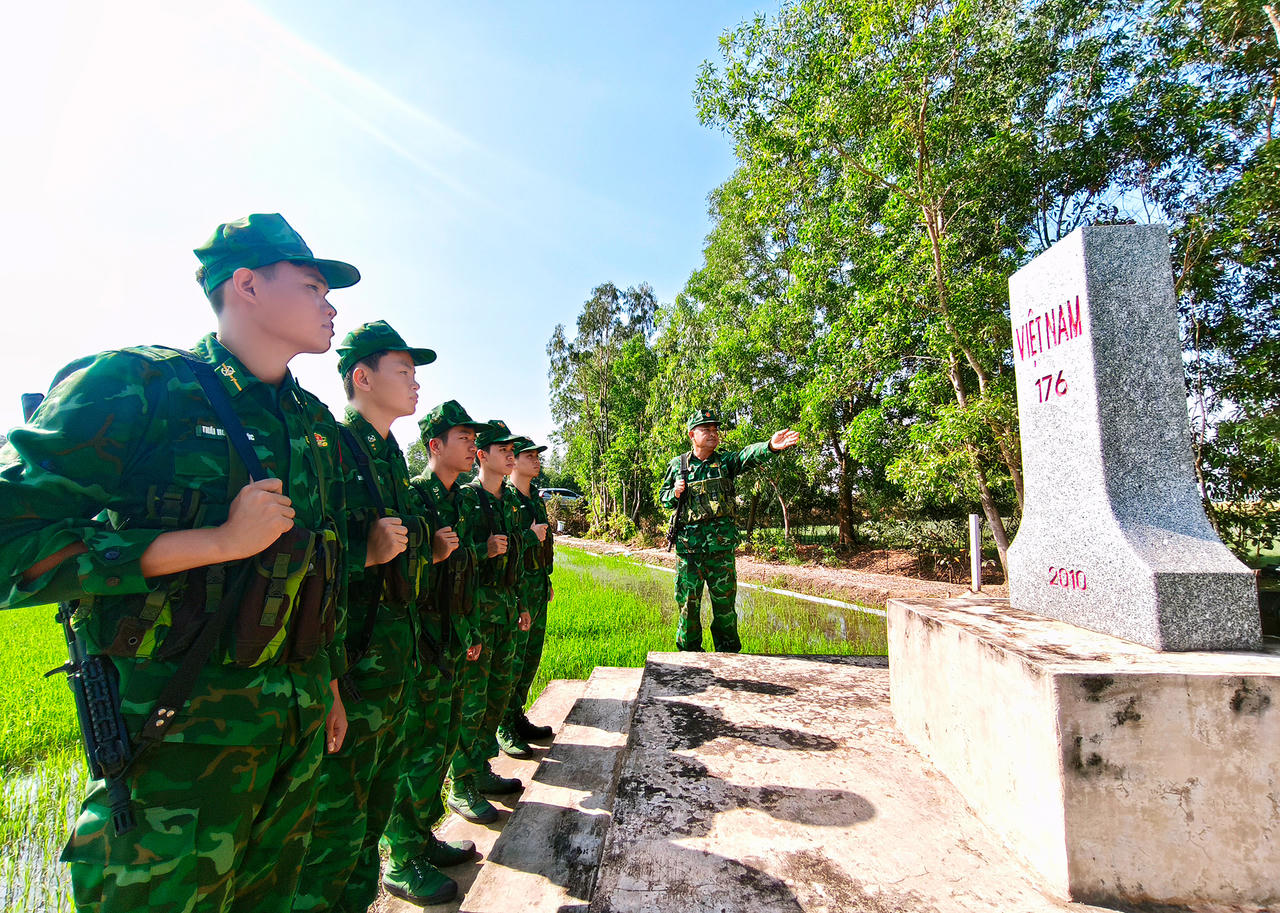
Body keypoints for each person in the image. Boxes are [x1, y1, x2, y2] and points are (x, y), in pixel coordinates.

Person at [0, 213, 356, 911]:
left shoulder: (313, 425)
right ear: (247, 284)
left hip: (292, 746)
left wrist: (330, 684)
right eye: (313, 285)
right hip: (172, 764)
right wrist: (215, 542)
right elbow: (13, 538)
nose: (330, 304)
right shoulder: (139, 387)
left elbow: (316, 571)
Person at [293, 320, 443, 912]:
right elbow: (304, 554)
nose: (414, 384)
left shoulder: (386, 456)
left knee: (372, 809)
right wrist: (364, 551)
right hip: (349, 671)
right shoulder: (330, 448)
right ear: (362, 376)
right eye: (403, 371)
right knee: (333, 825)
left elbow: (415, 540)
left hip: (392, 667)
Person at [381, 400, 489, 905]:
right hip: (421, 646)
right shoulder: (414, 497)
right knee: (417, 749)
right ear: (435, 446)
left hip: (452, 639)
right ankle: (401, 858)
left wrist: (468, 632)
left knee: (442, 742)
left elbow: (463, 575)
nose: (473, 447)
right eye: (464, 439)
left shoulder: (463, 502)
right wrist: (432, 550)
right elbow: (400, 578)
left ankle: (422, 837)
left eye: (474, 440)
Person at [447, 421, 543, 820]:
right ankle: (461, 783)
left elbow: (516, 563)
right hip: (477, 615)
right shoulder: (465, 500)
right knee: (471, 701)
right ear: (481, 456)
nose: (509, 454)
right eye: (500, 449)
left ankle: (481, 768)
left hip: (505, 610)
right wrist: (480, 550)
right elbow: (450, 559)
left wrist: (521, 603)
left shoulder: (508, 503)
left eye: (511, 450)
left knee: (496, 695)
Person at [658, 409, 800, 652]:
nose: (713, 434)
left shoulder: (724, 462)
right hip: (689, 552)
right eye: (706, 430)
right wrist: (675, 492)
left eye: (715, 430)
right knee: (687, 605)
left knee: (724, 607)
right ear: (693, 434)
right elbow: (664, 498)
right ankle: (689, 656)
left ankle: (728, 657)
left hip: (720, 551)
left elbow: (747, 456)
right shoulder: (679, 465)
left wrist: (770, 446)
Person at [496, 436, 555, 758]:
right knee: (513, 658)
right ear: (513, 461)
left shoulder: (535, 498)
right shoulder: (505, 499)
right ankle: (504, 723)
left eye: (537, 455)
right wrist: (528, 538)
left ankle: (517, 714)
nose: (536, 460)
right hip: (515, 587)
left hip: (535, 582)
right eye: (528, 456)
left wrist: (545, 578)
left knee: (531, 655)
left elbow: (543, 544)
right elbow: (506, 545)